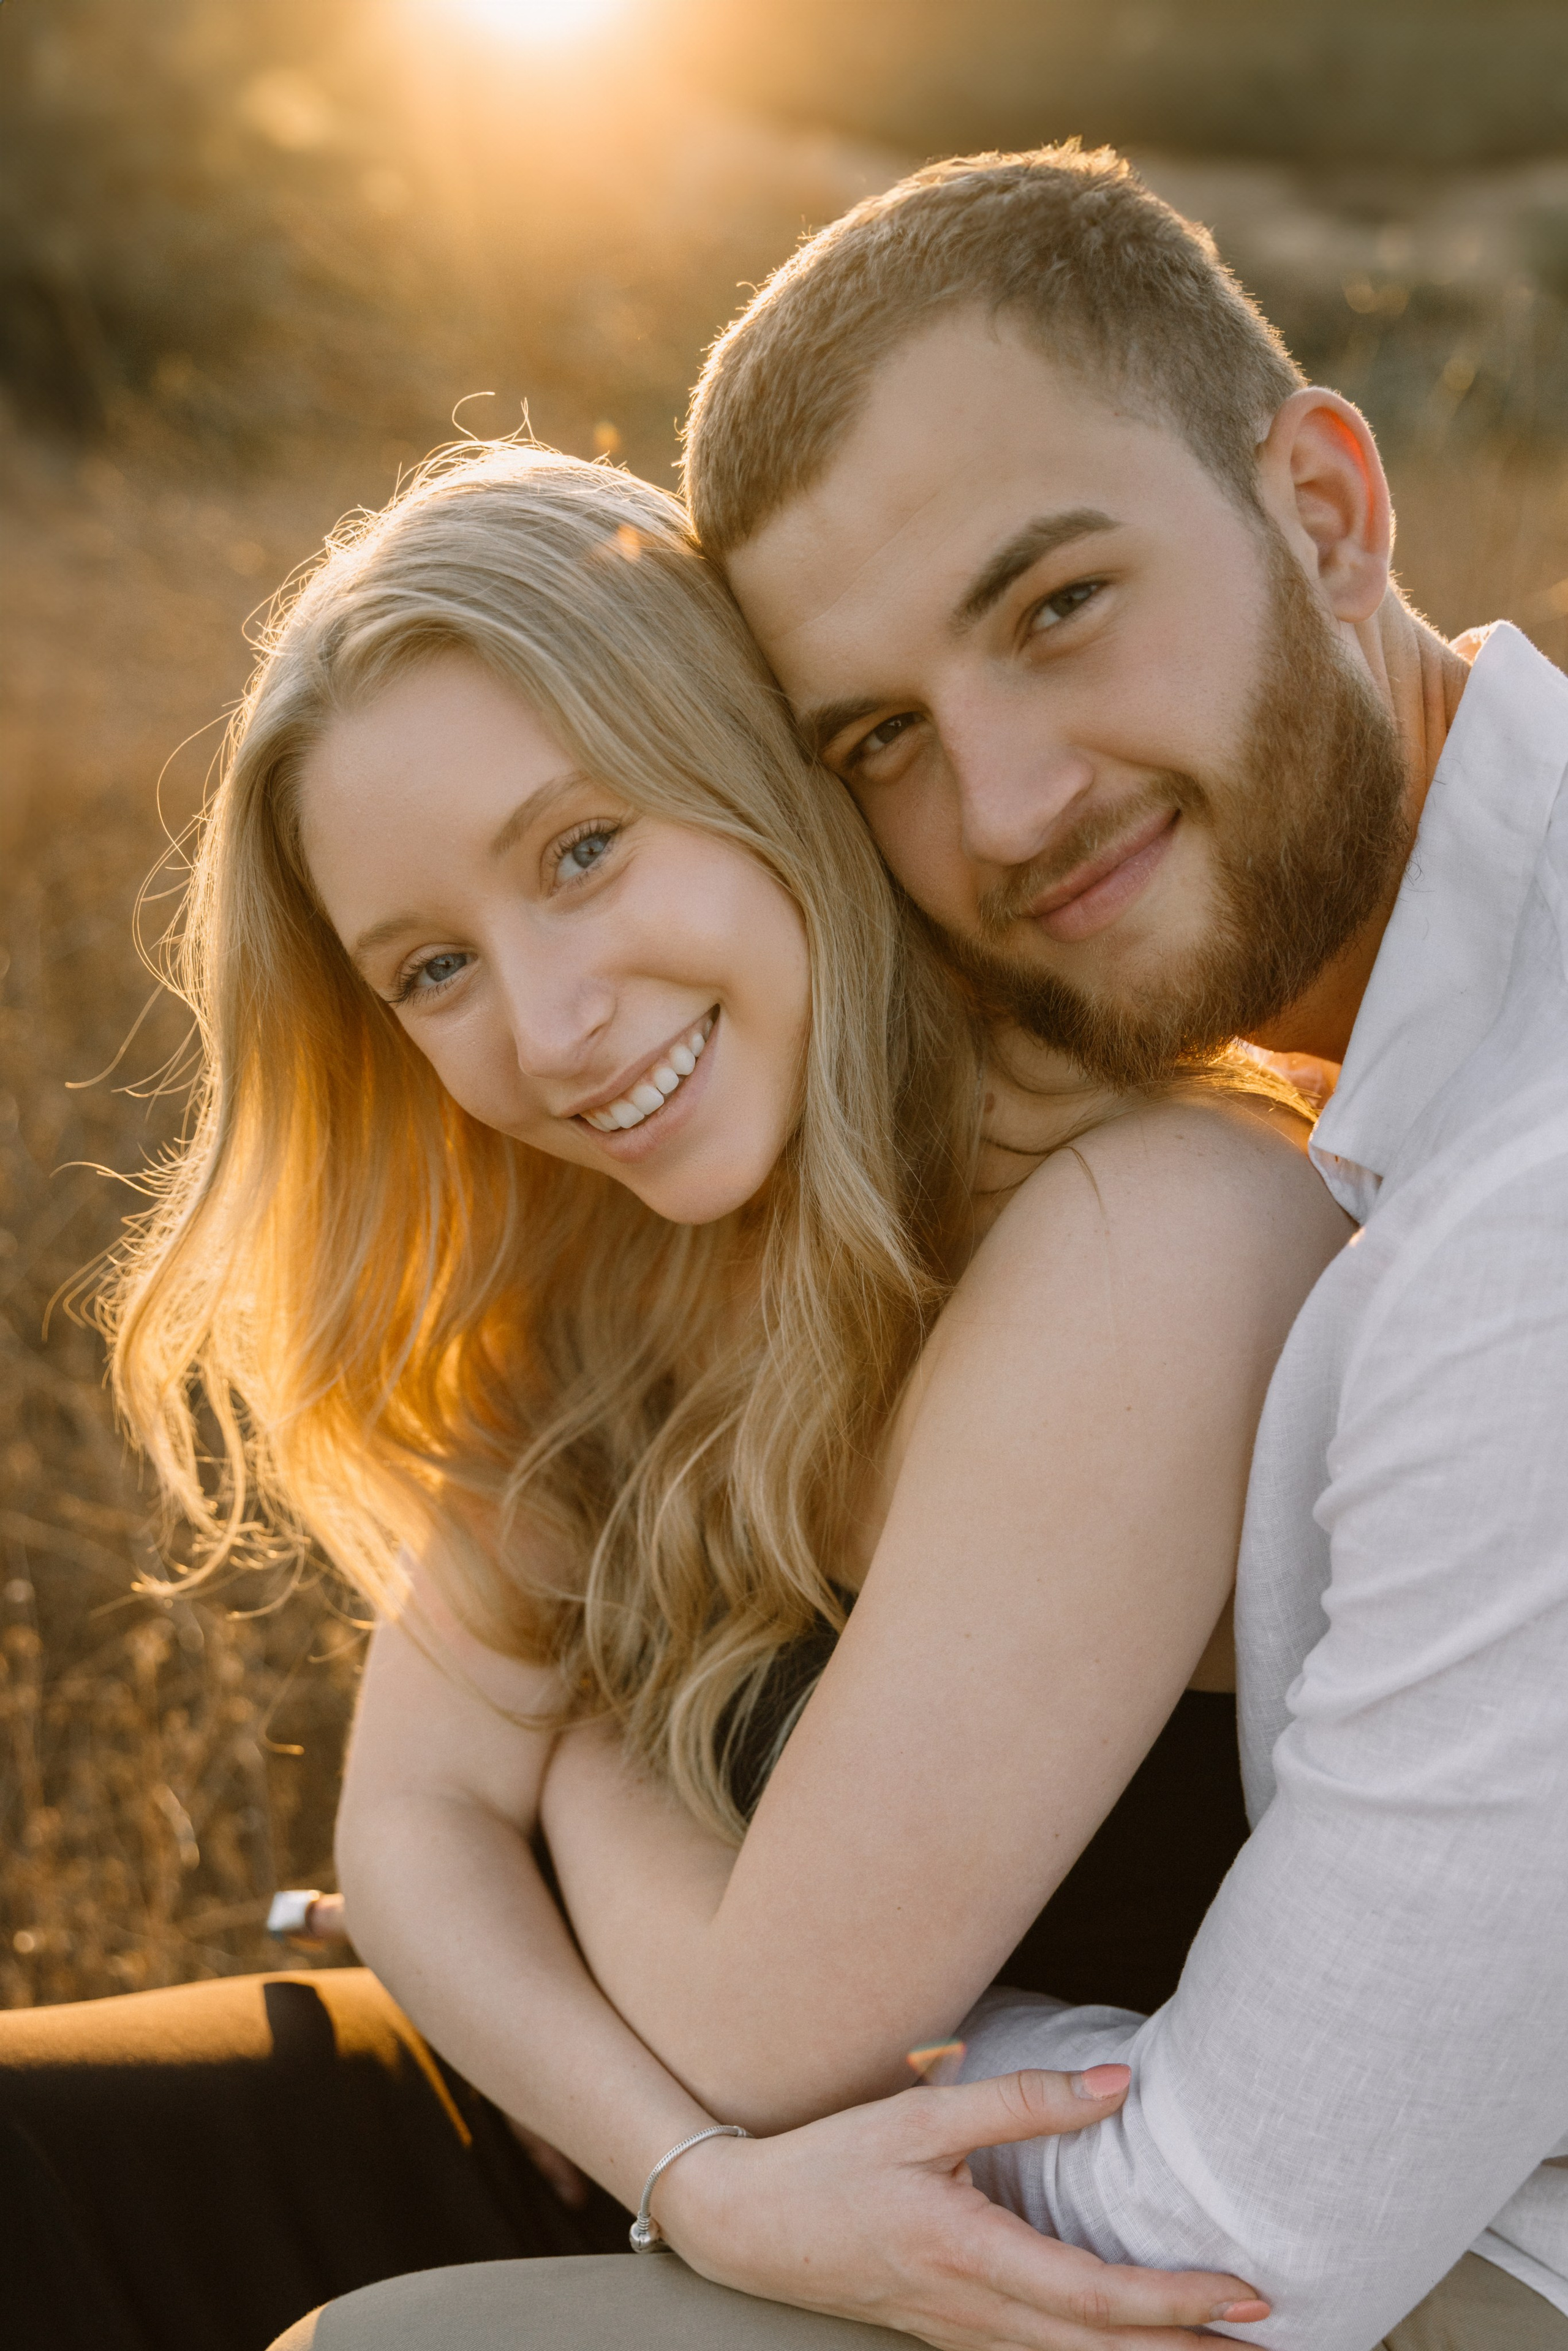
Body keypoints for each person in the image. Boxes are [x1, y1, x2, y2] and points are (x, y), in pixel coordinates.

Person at [286, 148, 1568, 2349]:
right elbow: (414, 1809)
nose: (1000, 809)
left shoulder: (1480, 1228)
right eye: (877, 736)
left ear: (1333, 516)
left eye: (1058, 603)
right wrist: (685, 2139)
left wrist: (593, 1817)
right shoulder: (790, 1177)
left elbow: (1253, 2230)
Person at [1, 439, 1333, 2351]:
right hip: (660, 2158)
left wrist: (569, 1758)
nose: (549, 1033)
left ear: (764, 764)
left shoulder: (1148, 1221)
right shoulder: (620, 1240)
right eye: (436, 966)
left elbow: (769, 2029)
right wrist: (671, 2165)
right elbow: (408, 1829)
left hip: (997, 2233)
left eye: (583, 849)